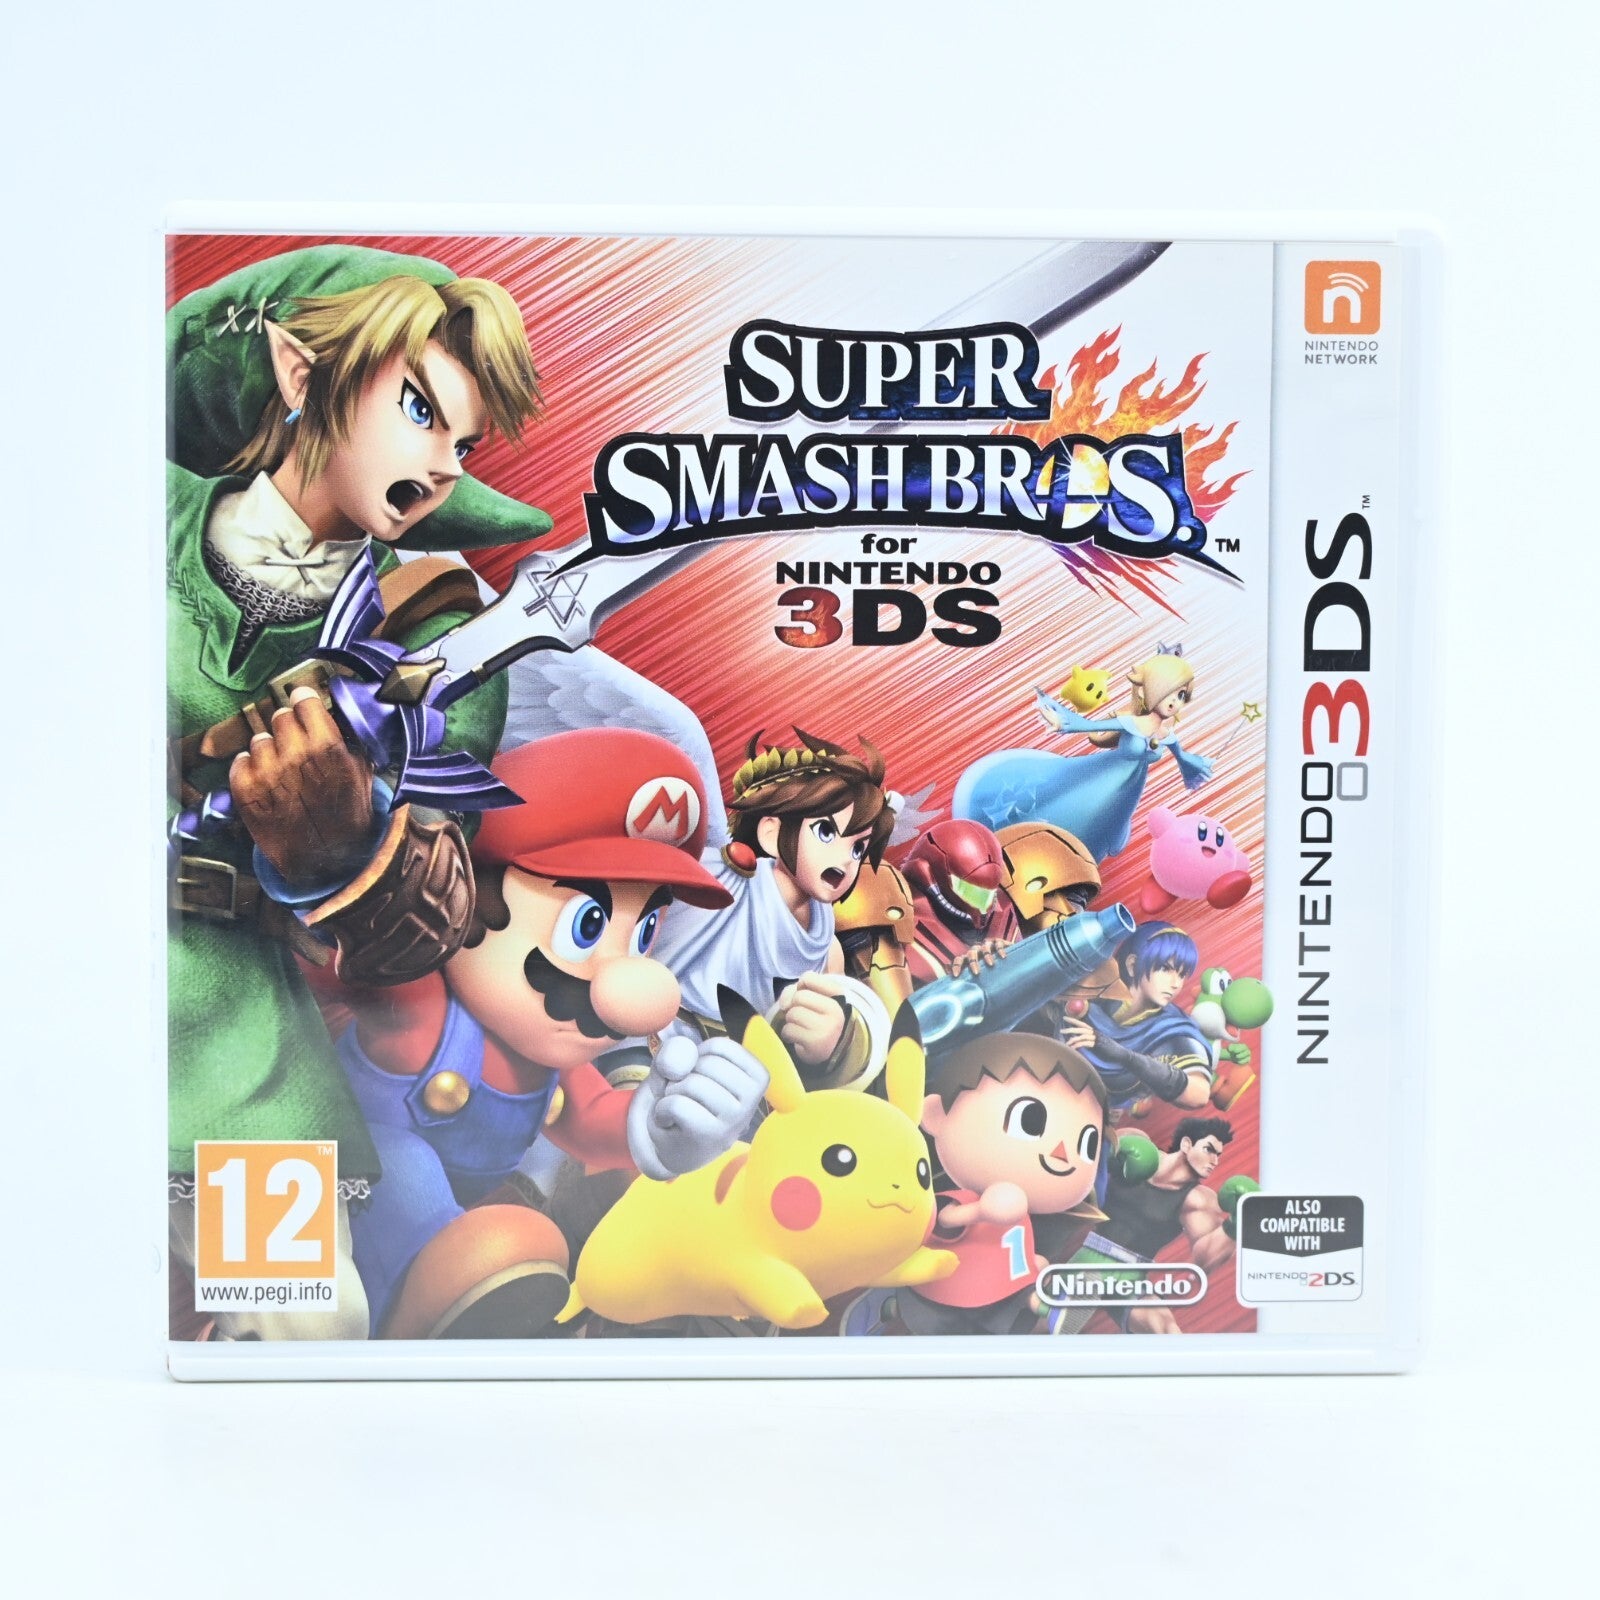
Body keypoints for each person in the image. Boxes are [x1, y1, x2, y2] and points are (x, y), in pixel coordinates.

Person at [166, 245, 550, 1339]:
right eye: (420, 410)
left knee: (305, 1324)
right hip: (55, 998)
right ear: (301, 374)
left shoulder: (434, 629)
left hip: (237, 1055)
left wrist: (338, 844)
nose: (443, 467)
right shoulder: (133, 508)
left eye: (463, 444)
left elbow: (429, 913)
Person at [314, 731, 769, 1338]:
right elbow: (333, 960)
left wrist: (666, 1127)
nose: (631, 986)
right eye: (588, 924)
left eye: (644, 932)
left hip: (472, 1230)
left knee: (535, 1232)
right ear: (461, 900)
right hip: (345, 1232)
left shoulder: (544, 1060)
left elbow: (592, 1119)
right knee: (413, 1173)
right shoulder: (421, 1013)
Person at [646, 727, 897, 1090]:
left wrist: (828, 1048)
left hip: (741, 1087)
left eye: (858, 848)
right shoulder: (723, 881)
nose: (845, 859)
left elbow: (800, 1059)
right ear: (771, 833)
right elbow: (642, 951)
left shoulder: (828, 951)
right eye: (826, 832)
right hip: (658, 1060)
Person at [952, 645, 1212, 861]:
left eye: (1181, 695)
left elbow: (1182, 757)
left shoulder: (1166, 733)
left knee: (1096, 824)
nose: (1174, 702)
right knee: (1056, 802)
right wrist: (1063, 722)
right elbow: (1089, 726)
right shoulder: (1131, 723)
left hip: (1126, 791)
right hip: (1099, 777)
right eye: (1169, 693)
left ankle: (1057, 859)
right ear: (1147, 690)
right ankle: (1013, 841)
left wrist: (1193, 768)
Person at [1059, 922, 1214, 1111]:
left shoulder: (1173, 1029)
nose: (1175, 984)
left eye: (1182, 975)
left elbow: (1199, 1095)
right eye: (1165, 969)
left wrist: (1125, 1056)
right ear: (1132, 965)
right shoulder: (1088, 990)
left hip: (1093, 1115)